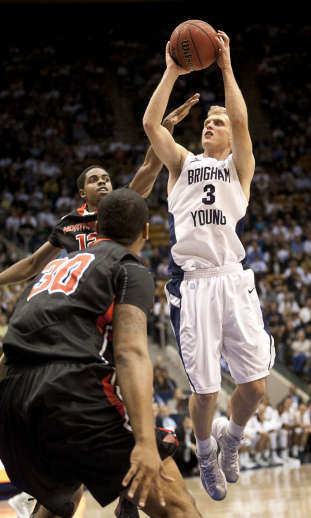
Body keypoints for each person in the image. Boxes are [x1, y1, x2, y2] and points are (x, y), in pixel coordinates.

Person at [0, 96, 199, 518]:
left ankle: (122, 500)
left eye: (109, 179)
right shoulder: (76, 232)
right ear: (81, 193)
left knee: (68, 485)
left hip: (43, 362)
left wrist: (161, 132)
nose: (106, 183)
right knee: (144, 449)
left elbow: (148, 167)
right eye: (96, 179)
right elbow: (34, 264)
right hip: (77, 347)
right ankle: (129, 492)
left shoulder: (116, 213)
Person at [142, 32, 275, 501]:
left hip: (233, 280)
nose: (210, 125)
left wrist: (225, 67)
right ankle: (204, 452)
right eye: (207, 122)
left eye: (216, 122)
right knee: (204, 393)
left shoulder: (240, 168)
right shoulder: (181, 164)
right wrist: (173, 71)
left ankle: (230, 440)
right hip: (194, 284)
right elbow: (152, 124)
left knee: (256, 388)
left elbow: (240, 121)